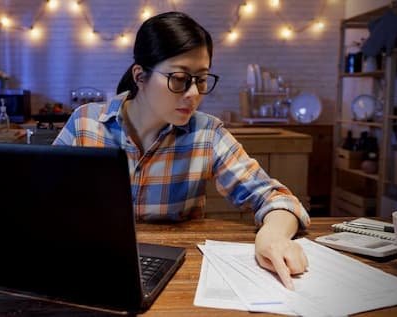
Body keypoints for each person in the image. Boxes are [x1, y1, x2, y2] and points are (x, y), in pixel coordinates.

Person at [53, 11, 310, 290]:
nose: (193, 94)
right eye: (179, 78)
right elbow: (41, 198)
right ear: (140, 76)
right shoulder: (86, 123)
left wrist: (273, 235)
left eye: (201, 79)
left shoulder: (206, 133)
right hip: (91, 265)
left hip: (178, 277)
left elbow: (275, 198)